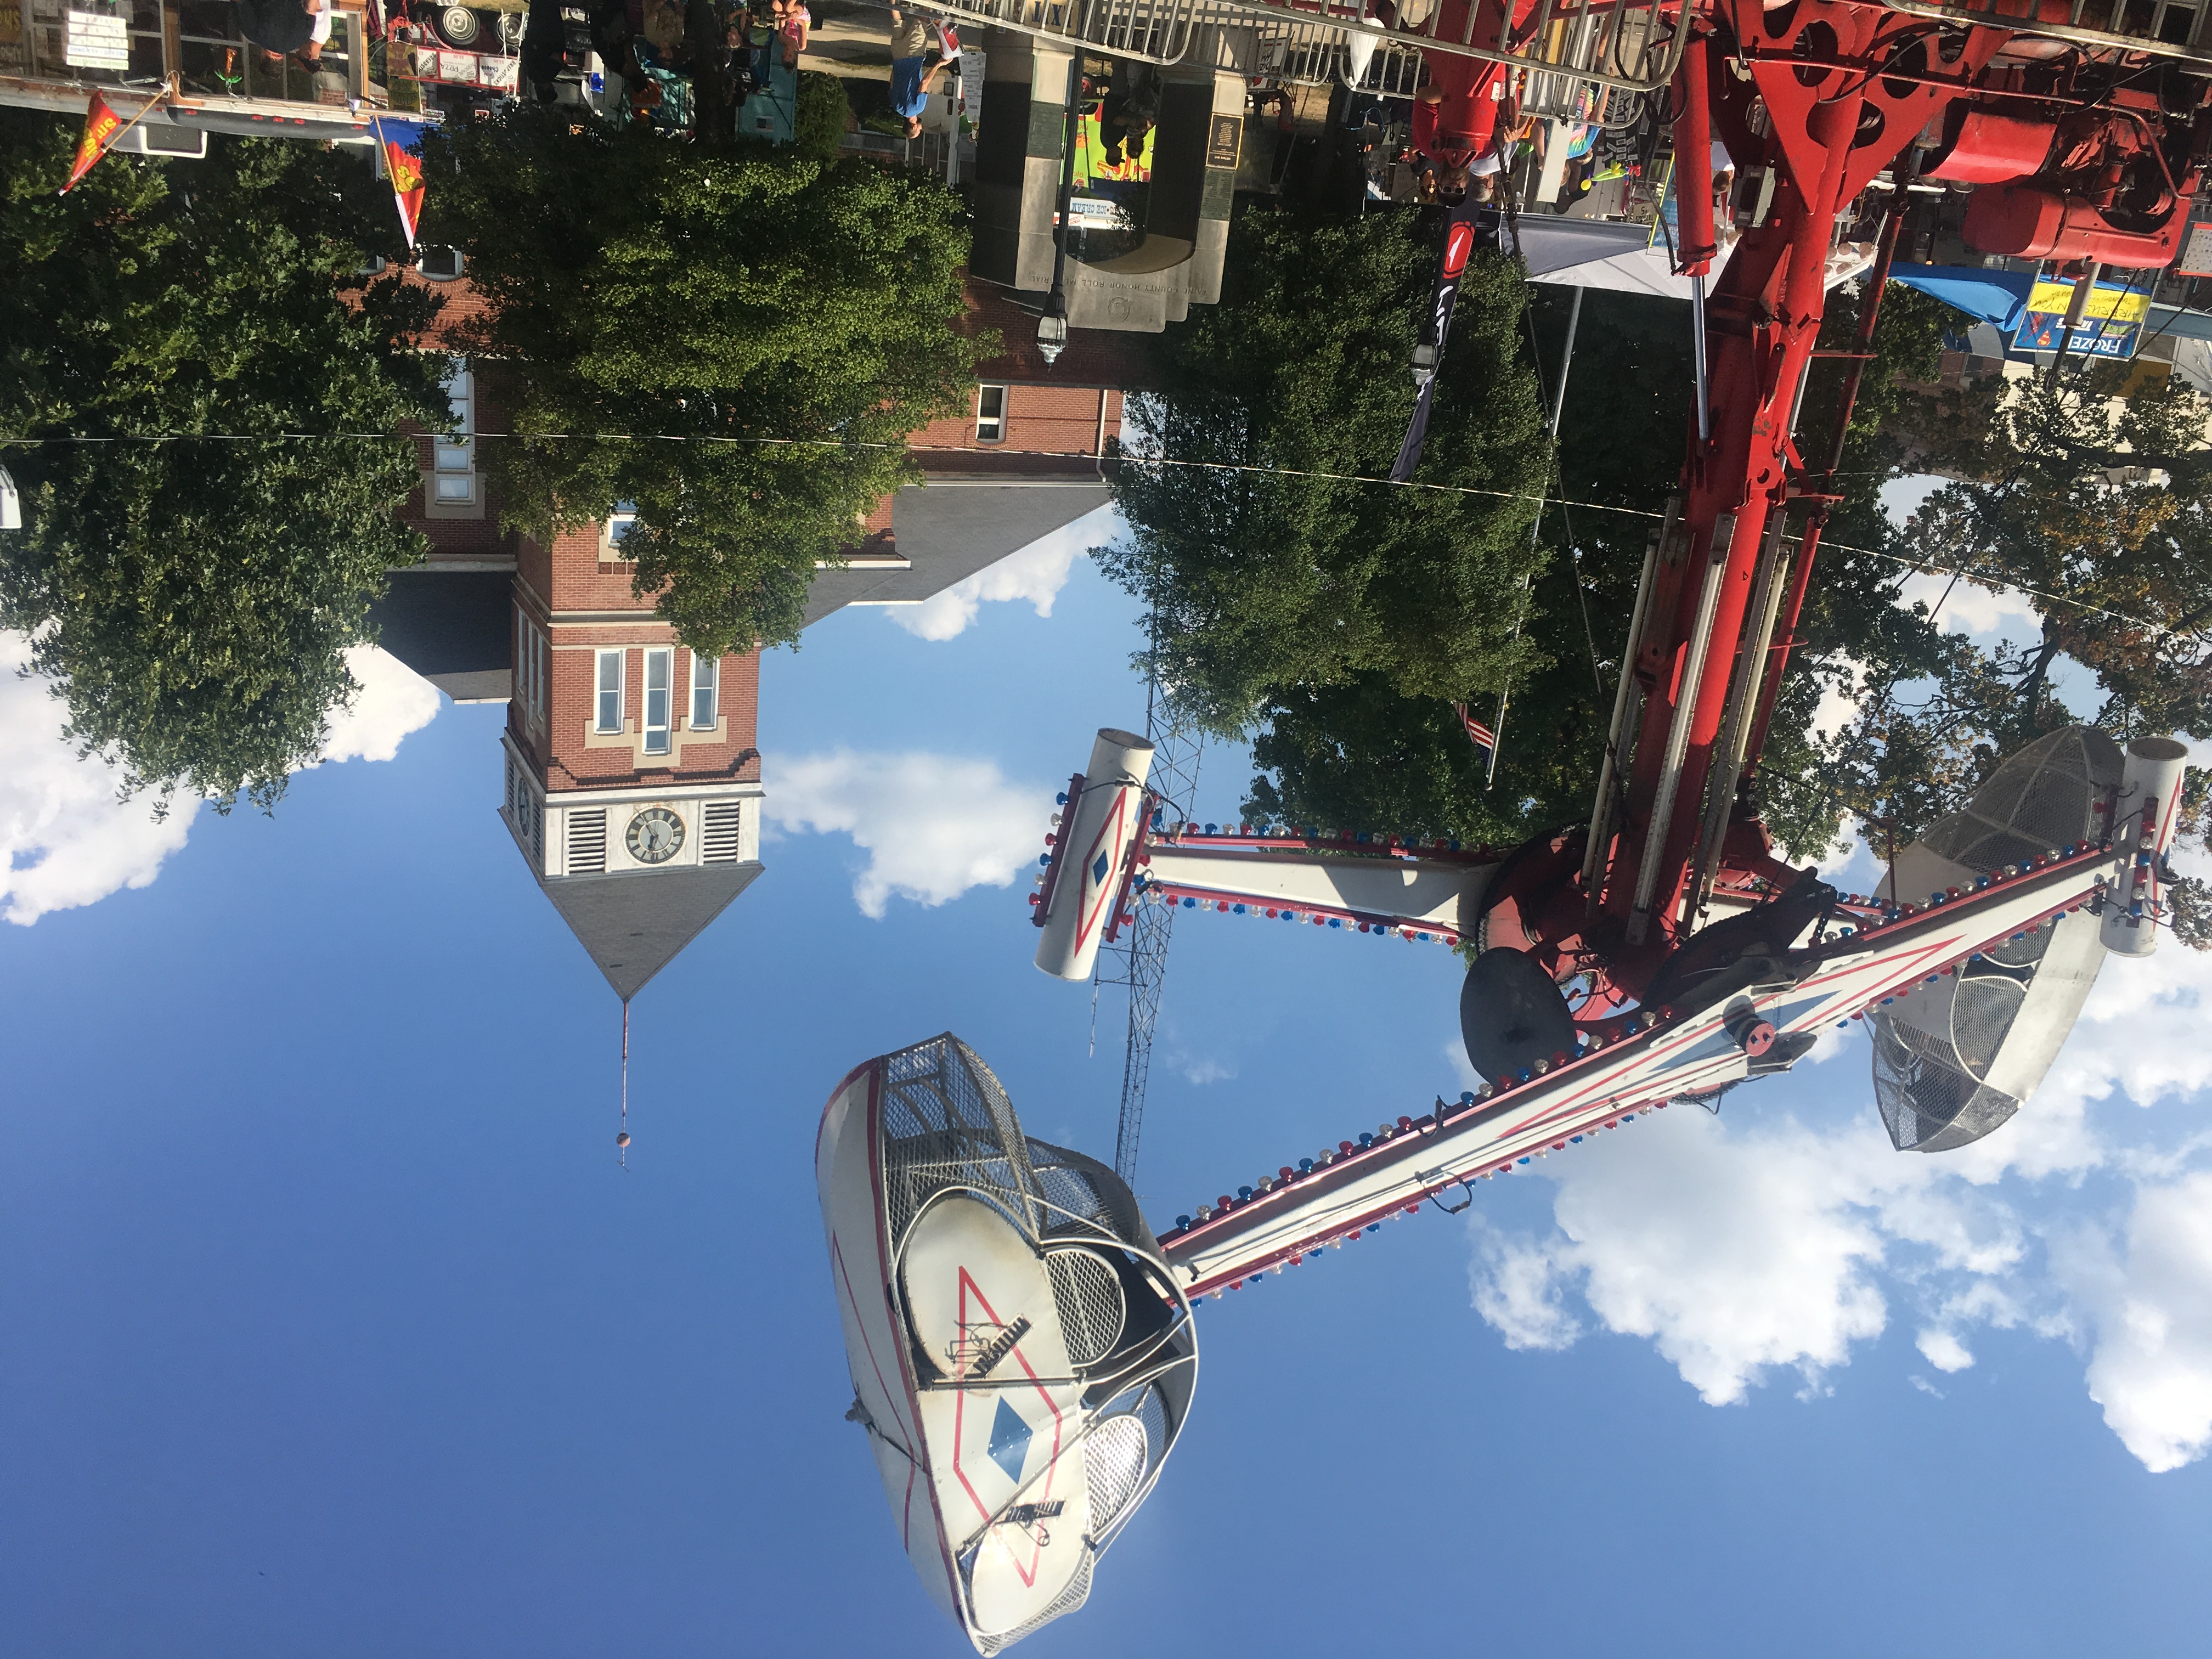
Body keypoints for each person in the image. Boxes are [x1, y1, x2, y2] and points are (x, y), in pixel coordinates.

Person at [886, 6, 958, 139]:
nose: (921, 128)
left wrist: (939, 64)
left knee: (922, 19)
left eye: (919, 131)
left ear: (913, 127)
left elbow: (924, 83)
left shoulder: (917, 109)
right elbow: (892, 81)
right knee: (897, 20)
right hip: (897, 56)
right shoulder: (897, 107)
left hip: (914, 55)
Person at [234, 0, 327, 66]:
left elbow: (311, 7)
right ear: (263, 57)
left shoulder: (302, 39)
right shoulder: (254, 35)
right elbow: (240, 3)